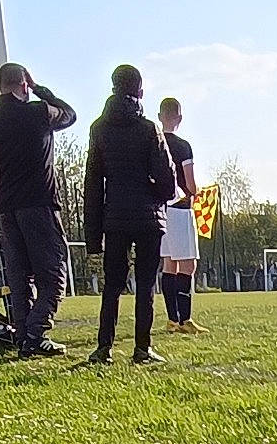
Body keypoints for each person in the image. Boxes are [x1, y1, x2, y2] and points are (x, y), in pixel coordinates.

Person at [0, 61, 76, 357]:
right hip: (39, 204)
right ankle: (35, 331)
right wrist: (41, 89)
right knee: (55, 272)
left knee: (19, 276)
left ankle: (23, 335)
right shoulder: (39, 111)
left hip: (7, 208)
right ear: (24, 85)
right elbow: (69, 114)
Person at [83, 65, 177, 366]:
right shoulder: (149, 128)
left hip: (115, 216)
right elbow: (167, 180)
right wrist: (154, 194)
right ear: (139, 90)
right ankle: (142, 348)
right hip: (148, 216)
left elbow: (93, 183)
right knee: (146, 283)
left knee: (112, 284)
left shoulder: (99, 129)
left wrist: (92, 236)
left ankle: (103, 347)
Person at [155, 96, 207, 336]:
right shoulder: (183, 146)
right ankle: (185, 319)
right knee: (188, 264)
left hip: (160, 210)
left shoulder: (153, 142)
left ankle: (172, 320)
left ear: (159, 116)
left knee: (169, 263)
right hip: (180, 208)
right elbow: (190, 183)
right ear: (180, 118)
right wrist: (196, 192)